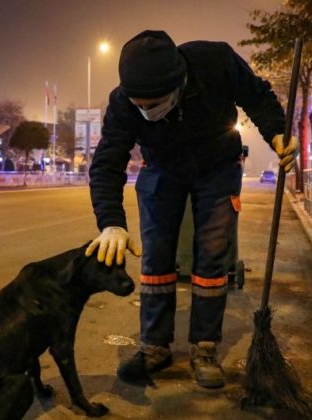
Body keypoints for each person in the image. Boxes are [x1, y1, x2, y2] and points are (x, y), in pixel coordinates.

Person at [84, 30, 298, 389]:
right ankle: (154, 346)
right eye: (139, 104)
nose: (146, 112)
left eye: (154, 104)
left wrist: (276, 132)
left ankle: (204, 346)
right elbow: (107, 164)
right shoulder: (123, 103)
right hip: (162, 168)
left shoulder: (215, 62)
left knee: (212, 258)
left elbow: (256, 95)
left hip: (217, 166)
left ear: (179, 83)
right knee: (156, 257)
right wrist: (111, 224)